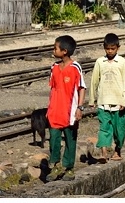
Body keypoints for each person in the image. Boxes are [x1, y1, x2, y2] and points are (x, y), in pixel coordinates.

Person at [46, 35, 86, 181]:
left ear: (64, 51)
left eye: (55, 47)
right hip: (55, 110)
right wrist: (49, 108)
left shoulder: (76, 68)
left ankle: (69, 168)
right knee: (54, 139)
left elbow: (82, 88)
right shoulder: (54, 67)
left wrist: (80, 107)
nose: (53, 50)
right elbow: (53, 89)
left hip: (70, 111)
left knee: (70, 139)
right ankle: (55, 165)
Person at [89, 33, 125, 163]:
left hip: (118, 103)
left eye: (113, 48)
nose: (110, 51)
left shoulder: (122, 62)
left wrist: (124, 100)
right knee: (104, 129)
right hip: (103, 102)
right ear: (104, 48)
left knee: (119, 131)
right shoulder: (100, 62)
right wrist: (92, 99)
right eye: (107, 48)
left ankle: (117, 150)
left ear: (118, 48)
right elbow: (94, 81)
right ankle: (104, 153)